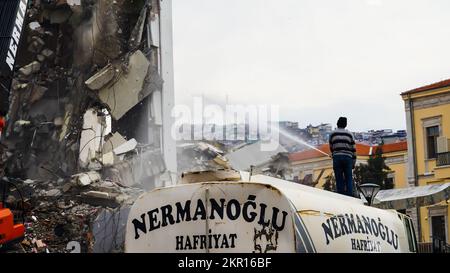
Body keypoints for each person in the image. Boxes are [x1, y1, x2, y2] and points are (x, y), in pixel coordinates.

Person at [329, 117, 356, 197]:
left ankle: (341, 196)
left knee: (339, 177)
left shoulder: (332, 134)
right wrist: (353, 163)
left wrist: (334, 153)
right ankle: (350, 195)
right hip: (348, 158)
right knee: (348, 177)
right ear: (345, 124)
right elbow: (354, 149)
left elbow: (331, 147)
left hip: (337, 158)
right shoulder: (350, 134)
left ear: (337, 123)